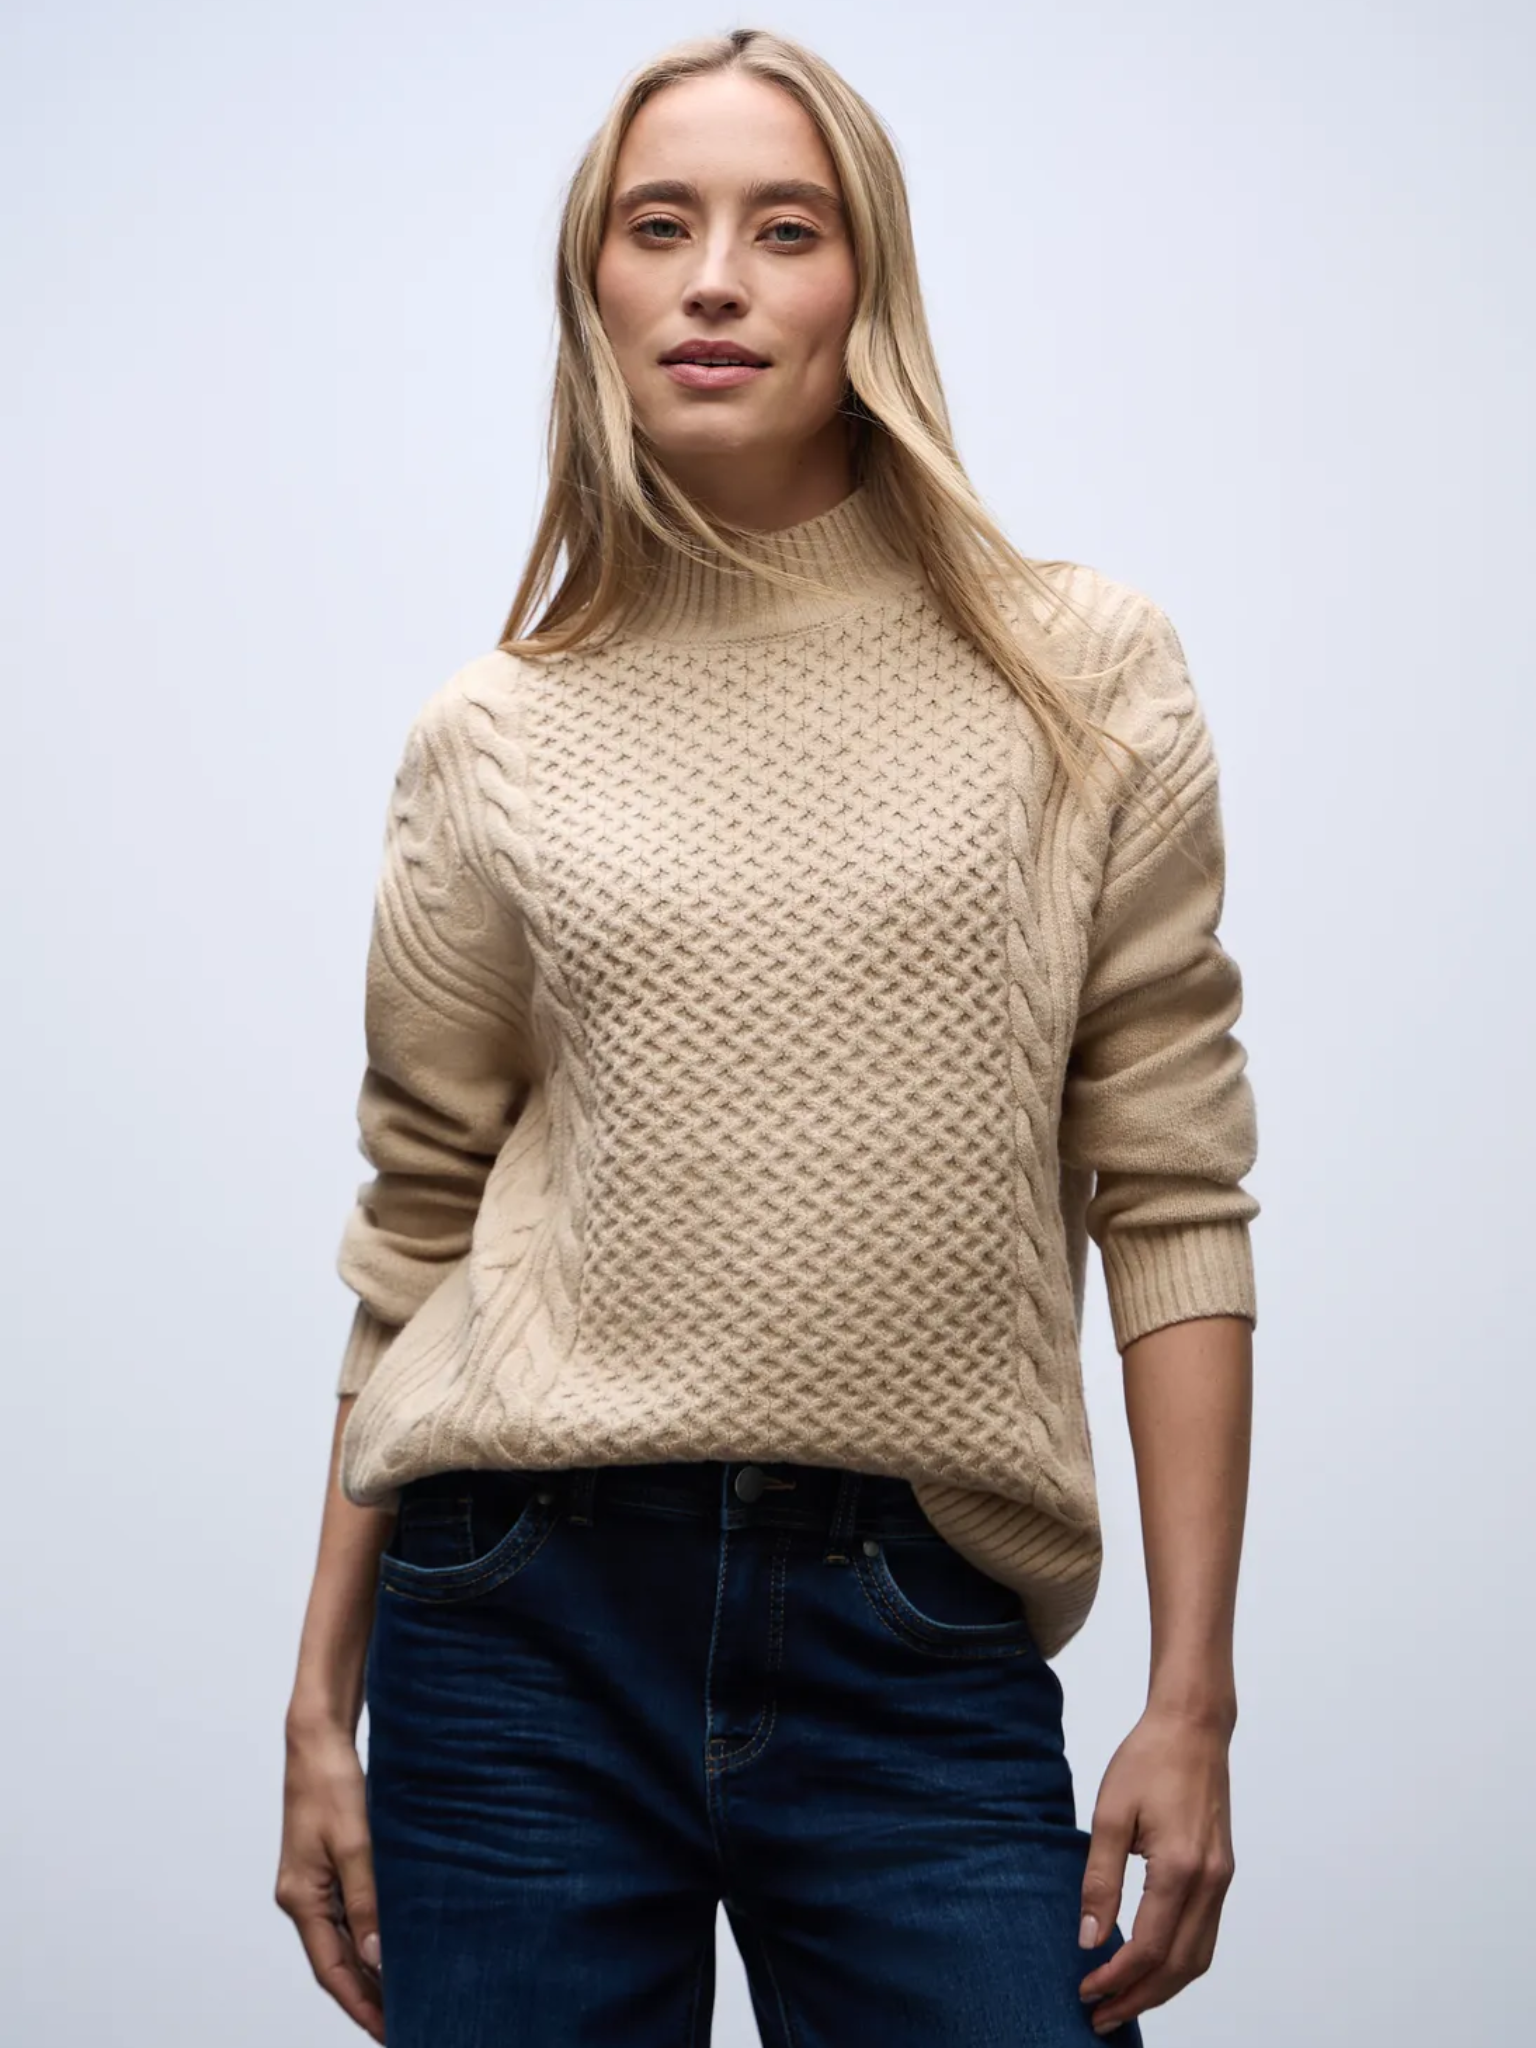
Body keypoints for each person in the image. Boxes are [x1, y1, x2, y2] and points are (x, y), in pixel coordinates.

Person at [276, 27, 1259, 2048]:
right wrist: (315, 1703)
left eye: (784, 229)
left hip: (918, 1630)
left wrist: (1193, 1696)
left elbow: (1173, 1189)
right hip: (516, 1627)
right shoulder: (494, 736)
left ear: (866, 283)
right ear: (595, 285)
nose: (714, 278)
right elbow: (419, 1227)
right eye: (661, 226)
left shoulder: (1084, 676)